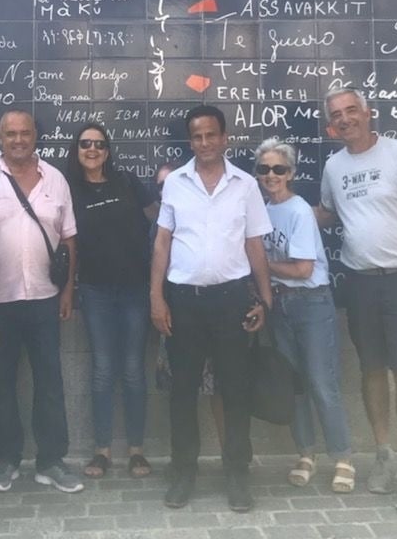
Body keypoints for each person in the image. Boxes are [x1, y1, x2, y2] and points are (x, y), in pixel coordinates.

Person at [316, 87, 397, 513]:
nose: (346, 118)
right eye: (337, 114)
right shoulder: (333, 166)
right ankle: (384, 456)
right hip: (359, 282)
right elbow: (329, 213)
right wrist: (278, 206)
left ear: (368, 113)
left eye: (352, 110)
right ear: (331, 125)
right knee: (372, 369)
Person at [150, 105, 274, 512]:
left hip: (231, 299)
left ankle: (237, 472)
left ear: (225, 138)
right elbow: (163, 242)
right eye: (197, 136)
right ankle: (183, 471)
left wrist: (265, 297)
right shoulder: (176, 184)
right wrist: (156, 297)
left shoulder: (245, 186)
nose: (204, 143)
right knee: (182, 391)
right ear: (191, 141)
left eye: (211, 135)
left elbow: (255, 243)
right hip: (184, 301)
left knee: (234, 389)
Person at [0, 110, 83, 494]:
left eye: (25, 133)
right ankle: (6, 459)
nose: (18, 140)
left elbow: (68, 240)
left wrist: (67, 292)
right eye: (10, 133)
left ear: (36, 136)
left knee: (50, 380)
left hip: (46, 300)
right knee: (1, 382)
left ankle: (51, 460)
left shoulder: (56, 179)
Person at [255, 139, 355, 493]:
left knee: (320, 381)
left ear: (292, 173)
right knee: (293, 383)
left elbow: (301, 268)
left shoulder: (298, 210)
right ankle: (306, 454)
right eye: (264, 169)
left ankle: (342, 458)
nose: (271, 175)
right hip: (281, 304)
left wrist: (261, 265)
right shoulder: (263, 210)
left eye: (279, 169)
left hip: (310, 303)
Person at [66, 122, 156, 479]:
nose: (92, 150)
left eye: (99, 144)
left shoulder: (128, 182)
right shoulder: (67, 189)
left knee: (133, 369)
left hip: (136, 288)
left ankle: (137, 451)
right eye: (85, 143)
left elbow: (161, 220)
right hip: (95, 291)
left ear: (108, 150)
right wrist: (68, 288)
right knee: (103, 370)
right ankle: (101, 451)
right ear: (77, 149)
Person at [152, 162, 225, 449]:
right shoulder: (156, 228)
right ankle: (183, 464)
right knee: (182, 391)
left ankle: (229, 457)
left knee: (220, 388)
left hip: (216, 311)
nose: (166, 190)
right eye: (160, 186)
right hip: (176, 316)